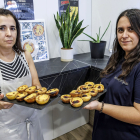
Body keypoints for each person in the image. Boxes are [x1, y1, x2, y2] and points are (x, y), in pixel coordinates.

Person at [84, 9, 140, 140]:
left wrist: (99, 106)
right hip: (102, 131)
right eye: (120, 30)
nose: (124, 35)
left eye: (131, 29)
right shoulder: (116, 58)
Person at [0, 8, 44, 140]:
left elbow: (36, 85)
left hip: (33, 122)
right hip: (8, 130)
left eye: (13, 28)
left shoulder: (26, 55)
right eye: (2, 28)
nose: (9, 34)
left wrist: (41, 93)